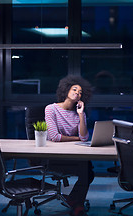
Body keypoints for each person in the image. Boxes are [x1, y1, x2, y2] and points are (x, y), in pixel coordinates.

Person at [45, 75, 94, 216]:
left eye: (80, 92)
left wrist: (80, 114)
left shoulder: (79, 114)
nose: (77, 93)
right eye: (74, 89)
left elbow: (84, 137)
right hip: (54, 157)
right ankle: (76, 204)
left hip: (73, 155)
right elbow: (54, 137)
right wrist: (76, 138)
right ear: (66, 90)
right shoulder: (51, 109)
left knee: (88, 170)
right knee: (87, 170)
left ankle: (74, 200)